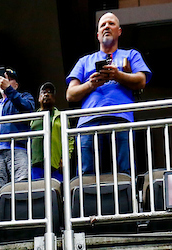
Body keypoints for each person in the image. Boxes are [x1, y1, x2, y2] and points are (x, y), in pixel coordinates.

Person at [65, 12, 150, 176]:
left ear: (119, 31)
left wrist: (117, 75)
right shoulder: (85, 61)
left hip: (121, 119)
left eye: (111, 24)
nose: (106, 27)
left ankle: (126, 201)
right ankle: (88, 202)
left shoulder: (130, 55)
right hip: (88, 122)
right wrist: (91, 84)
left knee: (124, 171)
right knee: (86, 173)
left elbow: (141, 80)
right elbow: (70, 94)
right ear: (97, 35)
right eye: (103, 25)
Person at [0, 67, 36, 193]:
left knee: (21, 187)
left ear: (16, 85)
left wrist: (9, 89)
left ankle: (21, 212)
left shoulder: (24, 97)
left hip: (17, 149)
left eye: (10, 79)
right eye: (4, 78)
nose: (5, 81)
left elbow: (27, 108)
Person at [29, 81, 70, 183]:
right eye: (43, 92)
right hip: (36, 163)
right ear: (39, 98)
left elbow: (70, 139)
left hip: (55, 164)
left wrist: (65, 157)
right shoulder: (32, 118)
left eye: (50, 92)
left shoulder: (61, 117)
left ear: (54, 98)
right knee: (37, 192)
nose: (46, 94)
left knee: (57, 191)